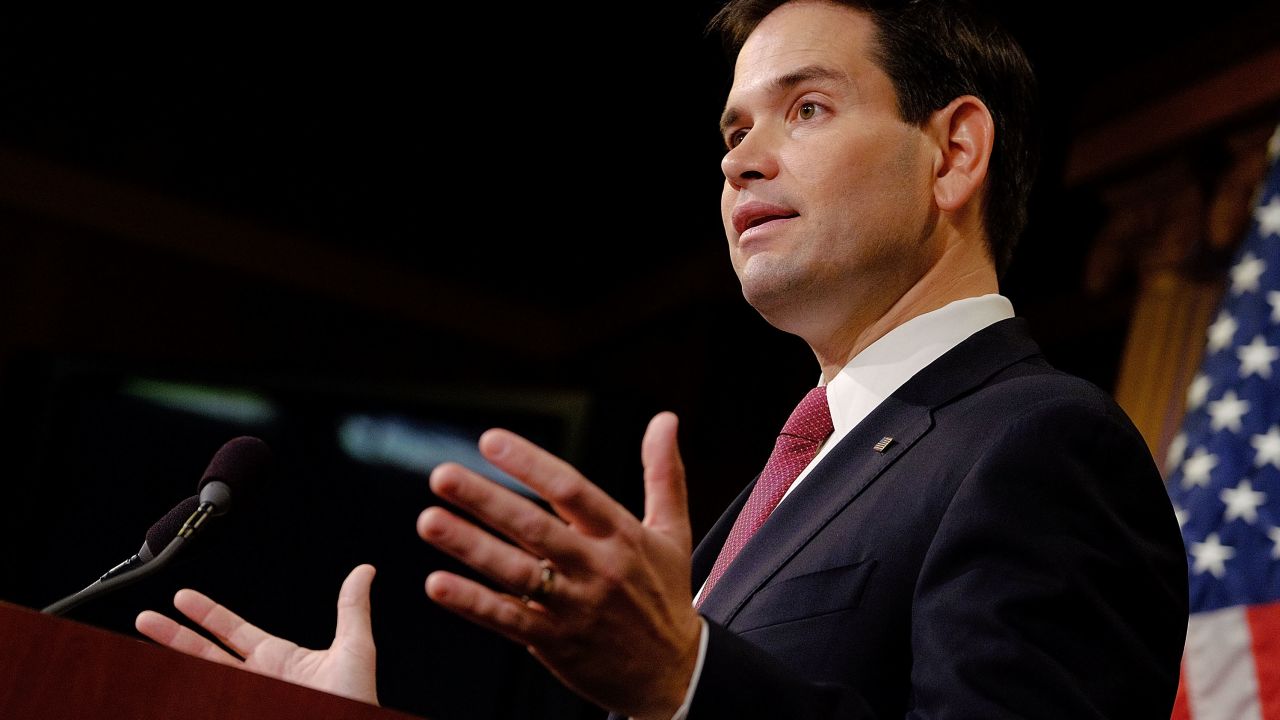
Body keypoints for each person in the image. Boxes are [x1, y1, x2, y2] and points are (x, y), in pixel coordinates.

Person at [135, 1, 1190, 717]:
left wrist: (688, 683)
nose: (739, 158)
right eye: (731, 130)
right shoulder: (783, 484)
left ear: (953, 151)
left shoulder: (1041, 444)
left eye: (806, 108)